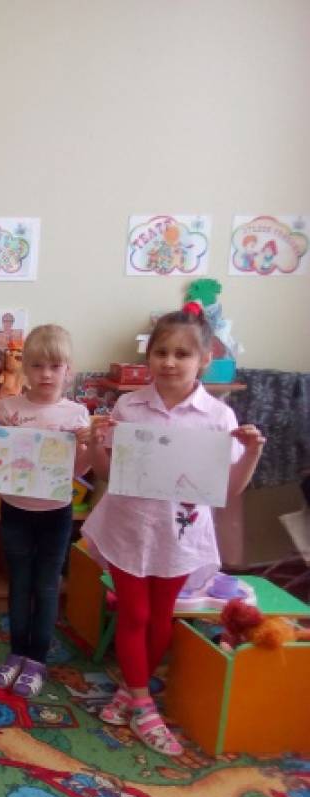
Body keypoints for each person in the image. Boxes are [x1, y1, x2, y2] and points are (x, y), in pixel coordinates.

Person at [83, 302, 264, 755]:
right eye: (160, 352)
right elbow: (107, 472)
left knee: (161, 617)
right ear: (148, 357)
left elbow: (229, 489)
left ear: (204, 359)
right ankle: (145, 705)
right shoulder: (129, 405)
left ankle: (130, 690)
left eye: (182, 354)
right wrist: (96, 443)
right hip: (128, 527)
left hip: (180, 535)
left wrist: (253, 452)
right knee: (135, 614)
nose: (169, 362)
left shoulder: (218, 417)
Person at [0, 325, 91, 697]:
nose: (46, 374)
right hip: (15, 509)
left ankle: (37, 660)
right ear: (24, 367)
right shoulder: (10, 408)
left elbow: (80, 471)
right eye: (37, 365)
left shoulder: (77, 414)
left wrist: (85, 446)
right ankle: (16, 653)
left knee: (46, 586)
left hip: (56, 512)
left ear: (68, 370)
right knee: (19, 582)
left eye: (55, 366)